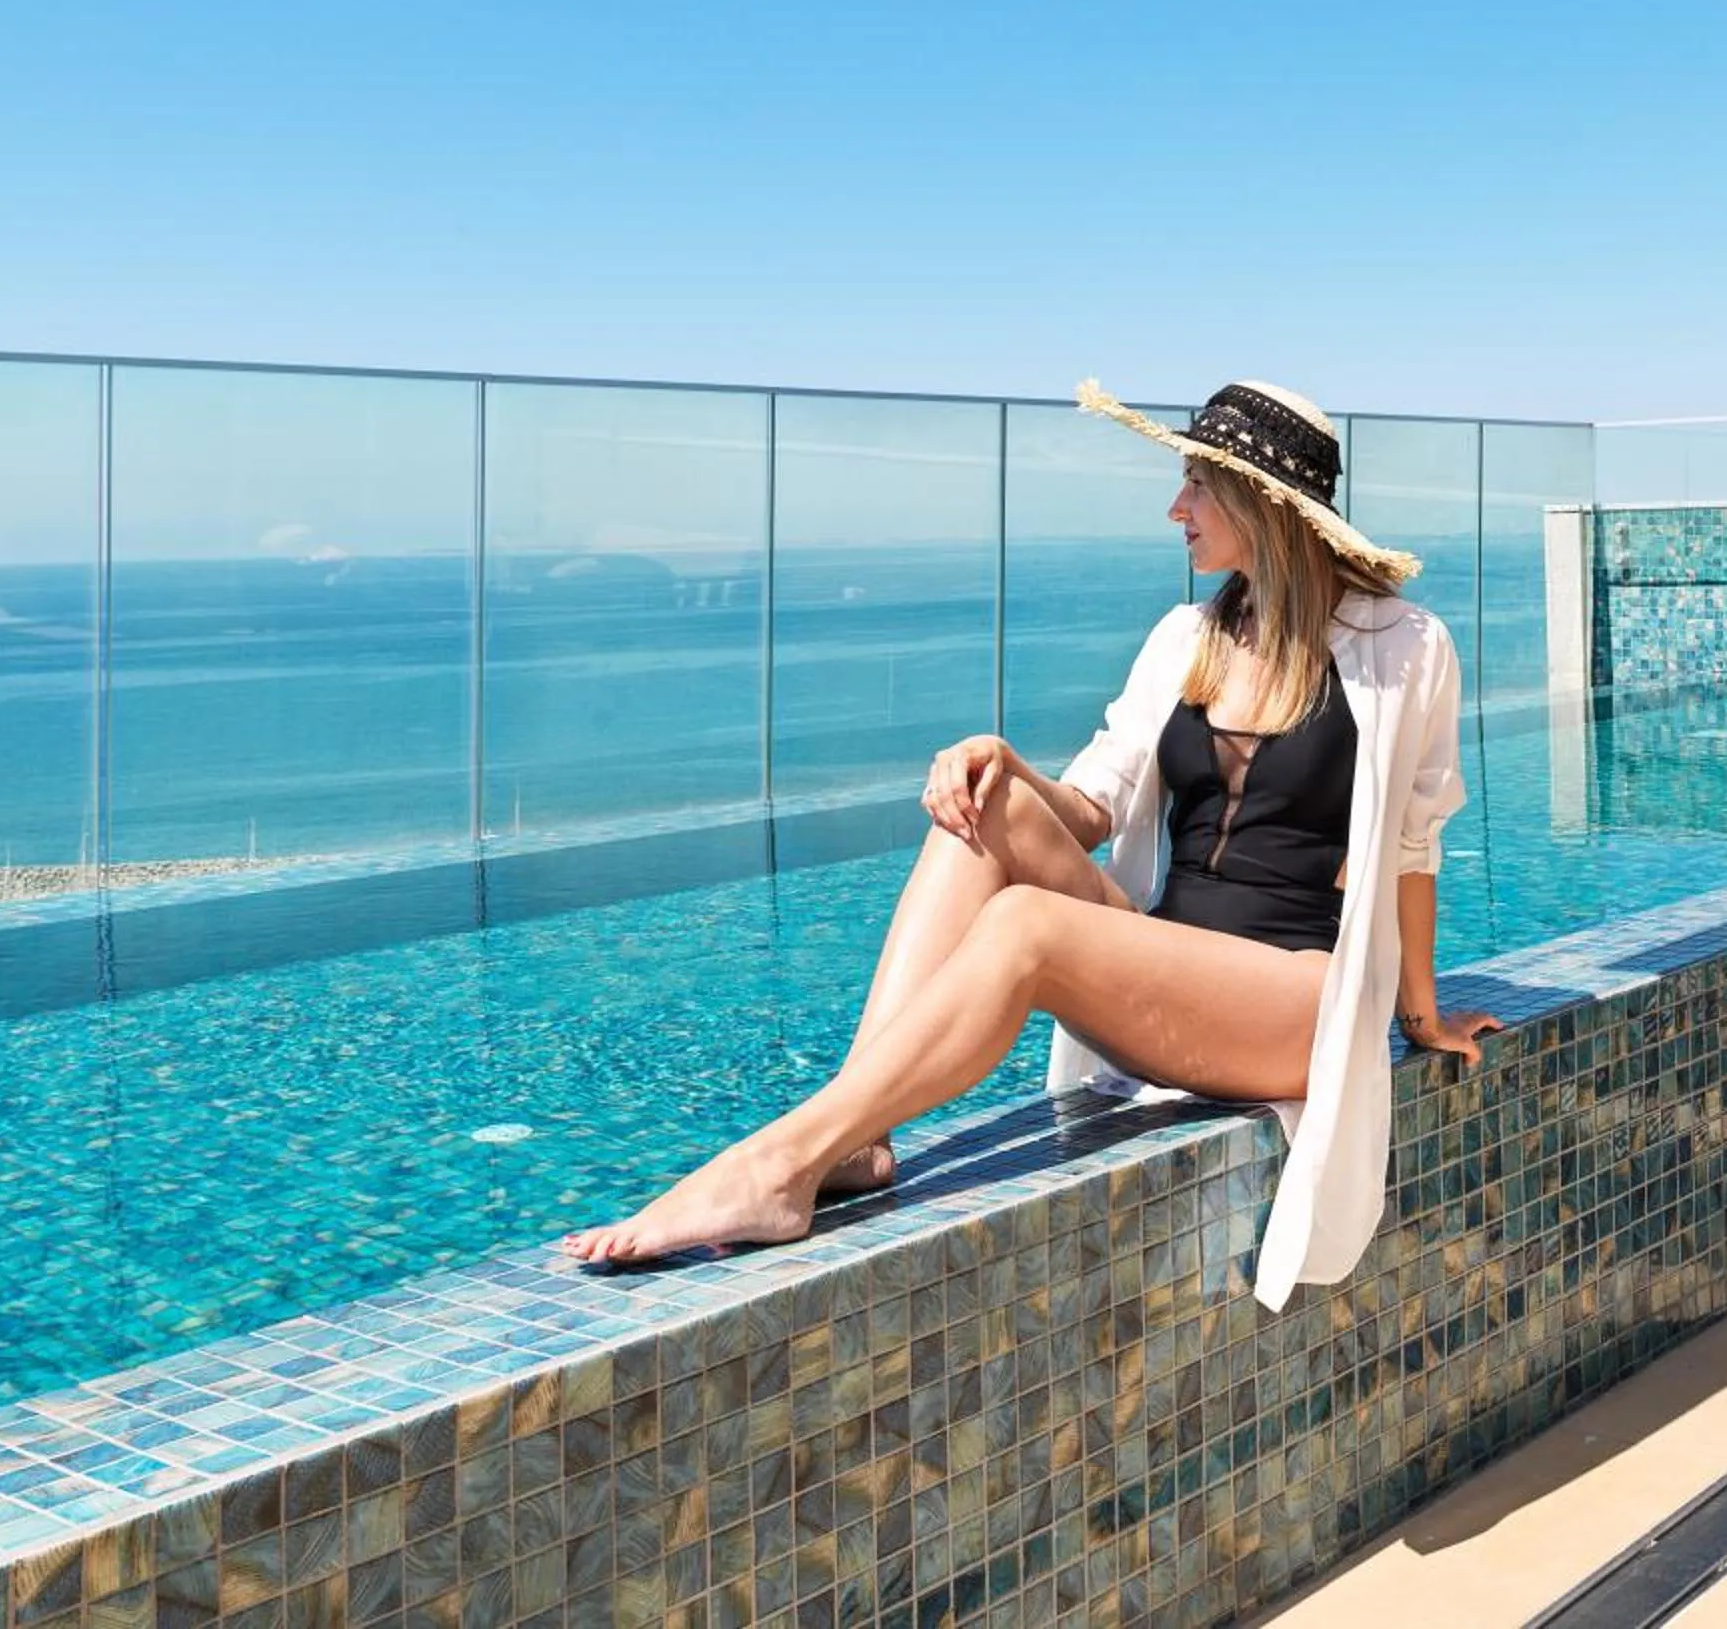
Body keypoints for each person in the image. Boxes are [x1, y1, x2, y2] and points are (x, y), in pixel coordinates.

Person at [561, 379, 1503, 1307]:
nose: (1176, 507)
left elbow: (1412, 851)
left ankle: (775, 1167)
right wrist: (1002, 765)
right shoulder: (1190, 637)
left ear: (1264, 502)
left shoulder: (1404, 648)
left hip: (1292, 1001)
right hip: (1165, 975)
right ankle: (851, 1137)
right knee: (981, 806)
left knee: (1024, 924)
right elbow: (1092, 806)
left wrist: (1422, 1019)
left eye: (1198, 487)